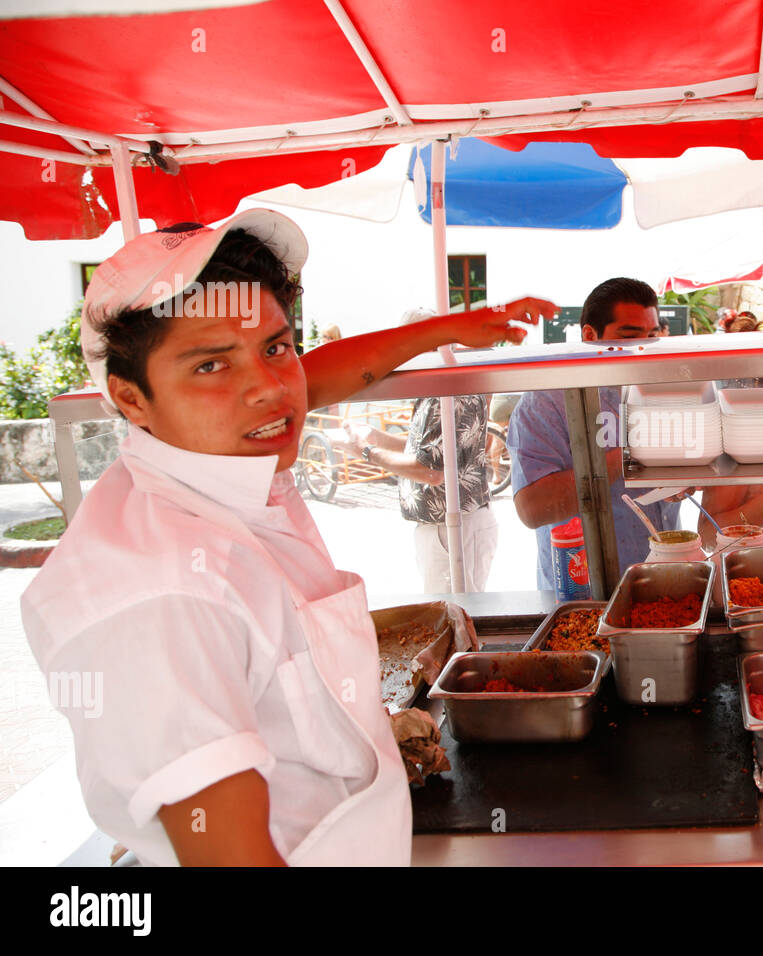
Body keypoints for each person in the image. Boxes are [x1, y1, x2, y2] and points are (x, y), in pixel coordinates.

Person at [19, 211, 553, 866]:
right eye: (211, 363)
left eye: (275, 346)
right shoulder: (163, 592)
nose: (270, 390)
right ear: (131, 401)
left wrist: (444, 330)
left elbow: (316, 375)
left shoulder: (211, 458)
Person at [508, 277, 680, 591]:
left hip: (667, 580)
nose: (642, 347)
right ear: (590, 335)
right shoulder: (547, 402)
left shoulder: (663, 389)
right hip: (585, 590)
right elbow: (532, 509)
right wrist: (632, 450)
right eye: (629, 336)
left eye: (652, 336)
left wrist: (685, 479)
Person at [338, 314, 498, 594]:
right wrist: (375, 437)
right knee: (461, 614)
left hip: (451, 527)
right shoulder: (444, 382)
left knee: (458, 618)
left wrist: (365, 451)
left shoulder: (444, 392)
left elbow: (429, 471)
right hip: (452, 525)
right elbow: (428, 450)